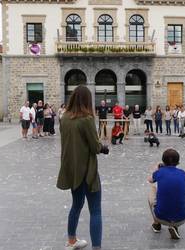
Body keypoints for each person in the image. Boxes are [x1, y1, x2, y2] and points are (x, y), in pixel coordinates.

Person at [57, 85, 109, 250]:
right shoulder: (86, 119)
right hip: (88, 171)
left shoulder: (64, 118)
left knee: (76, 205)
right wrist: (104, 147)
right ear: (88, 100)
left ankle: (71, 241)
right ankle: (97, 247)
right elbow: (95, 147)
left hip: (72, 170)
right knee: (95, 210)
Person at [148, 149, 185, 240]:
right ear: (178, 162)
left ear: (163, 161)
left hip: (161, 217)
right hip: (182, 218)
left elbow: (149, 180)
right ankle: (175, 226)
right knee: (175, 194)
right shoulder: (183, 173)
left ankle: (157, 224)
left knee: (152, 189)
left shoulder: (160, 172)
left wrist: (156, 168)